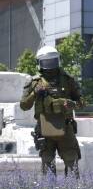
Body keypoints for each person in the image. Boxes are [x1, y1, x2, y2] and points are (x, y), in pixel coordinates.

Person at [20, 46, 85, 177]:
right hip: (45, 129)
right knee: (47, 165)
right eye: (46, 62)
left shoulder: (68, 80)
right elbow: (24, 105)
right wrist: (35, 93)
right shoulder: (34, 82)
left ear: (58, 60)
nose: (49, 65)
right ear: (39, 63)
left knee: (72, 164)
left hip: (65, 128)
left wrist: (72, 104)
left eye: (52, 61)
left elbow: (82, 102)